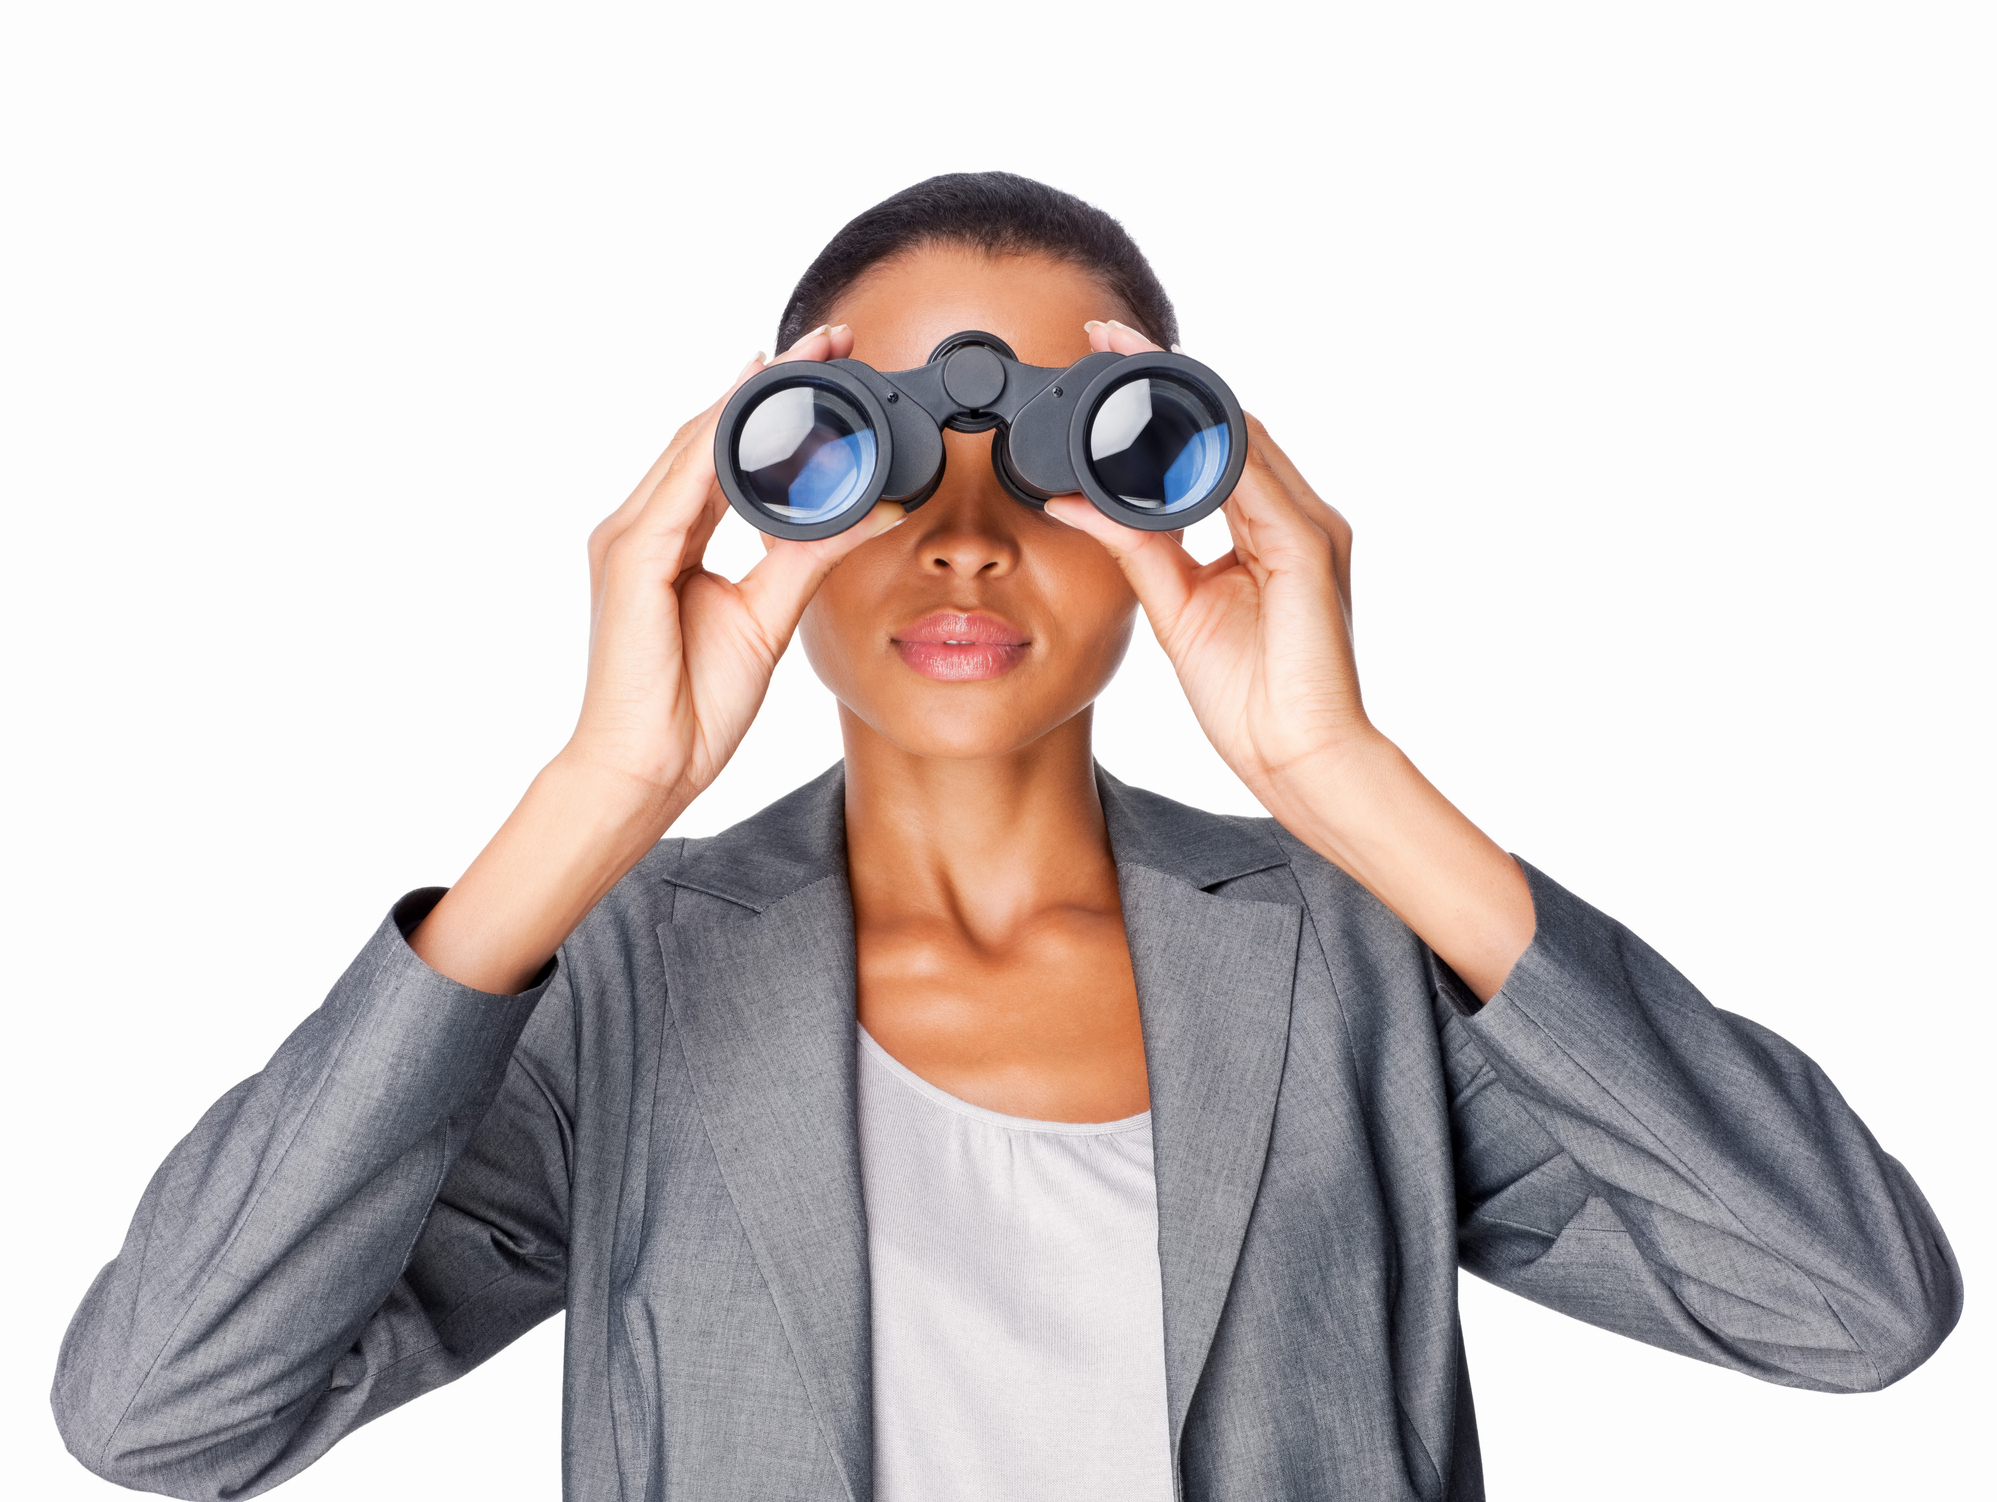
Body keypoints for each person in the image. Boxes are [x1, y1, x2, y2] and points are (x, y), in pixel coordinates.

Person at [52, 172, 1960, 1502]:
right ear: (761, 482)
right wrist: (593, 804)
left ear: (1186, 507)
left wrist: (1339, 775)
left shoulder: (1348, 967)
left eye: (1071, 459)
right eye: (862, 459)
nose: (965, 535)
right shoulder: (630, 984)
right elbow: (162, 1411)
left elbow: (1848, 1303)